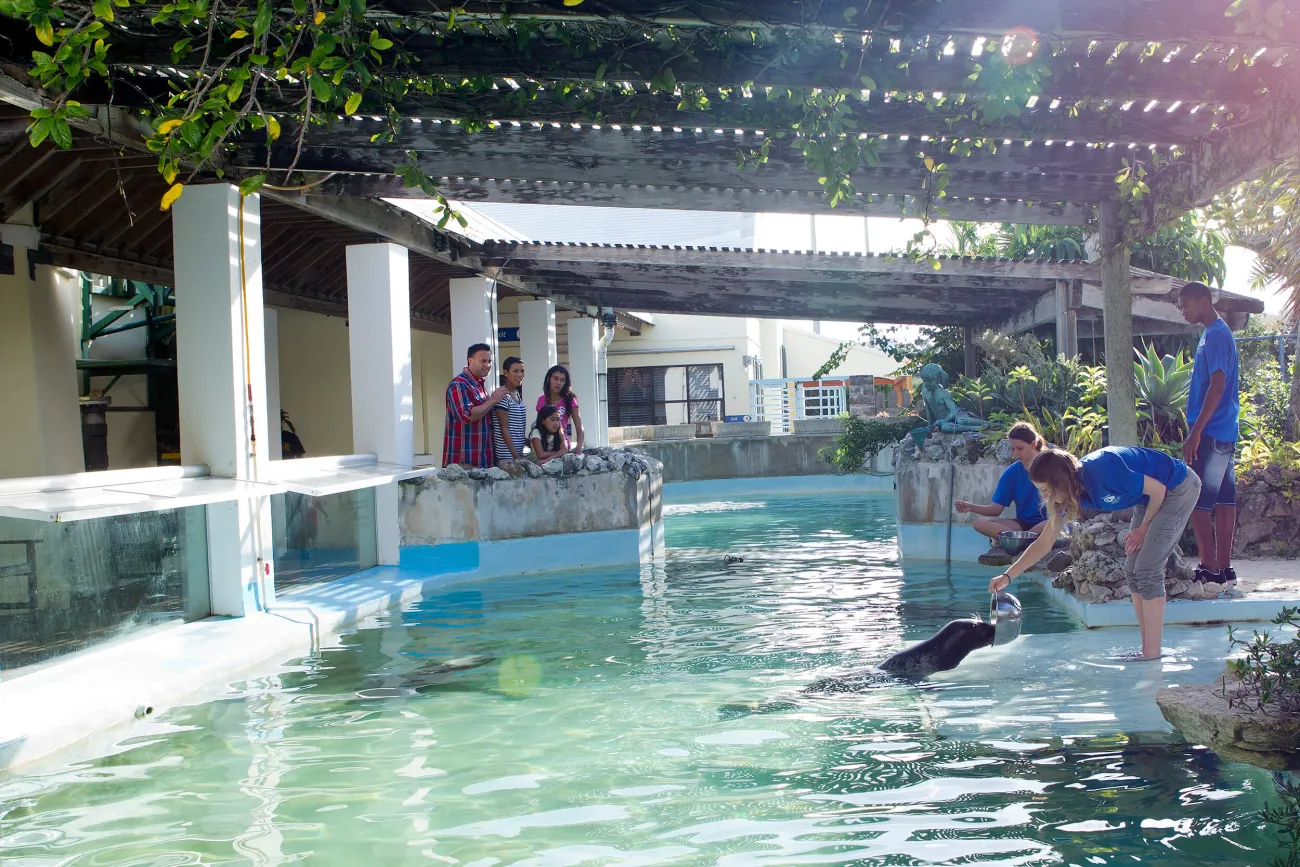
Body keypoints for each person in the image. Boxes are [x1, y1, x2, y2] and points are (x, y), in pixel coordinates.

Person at [989, 447, 1201, 661]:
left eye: (1045, 489)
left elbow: (1158, 490)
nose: (1043, 496)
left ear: (1059, 481)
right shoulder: (1067, 494)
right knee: (1132, 571)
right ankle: (1147, 648)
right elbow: (1044, 543)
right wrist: (1008, 576)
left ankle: (1152, 654)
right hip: (1147, 501)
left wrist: (1143, 528)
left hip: (1177, 488)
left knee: (1147, 569)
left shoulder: (1104, 469)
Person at [1178, 281, 1240, 585]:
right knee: (1225, 500)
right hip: (1224, 429)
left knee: (1196, 500)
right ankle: (1224, 569)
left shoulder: (1216, 334)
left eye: (1186, 305)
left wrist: (1196, 432)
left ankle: (1209, 569)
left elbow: (1217, 386)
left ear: (1204, 301)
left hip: (1213, 431)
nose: (1183, 311)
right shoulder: (1213, 333)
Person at [955, 421, 1049, 545]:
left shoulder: (1052, 465)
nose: (1015, 454)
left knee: (1058, 522)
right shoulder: (1012, 472)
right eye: (1012, 449)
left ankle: (1018, 540)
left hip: (1048, 522)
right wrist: (970, 507)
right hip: (1022, 525)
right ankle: (1024, 539)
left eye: (1020, 449)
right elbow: (996, 509)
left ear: (1033, 444)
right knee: (980, 523)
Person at [443, 343, 510, 468]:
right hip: (464, 463)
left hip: (483, 461)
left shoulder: (479, 385)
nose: (487, 365)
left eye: (489, 361)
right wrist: (493, 400)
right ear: (470, 361)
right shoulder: (459, 384)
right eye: (483, 361)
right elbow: (467, 416)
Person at [537, 364, 584, 453]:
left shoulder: (570, 400)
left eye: (562, 380)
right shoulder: (541, 400)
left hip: (563, 446)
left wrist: (578, 448)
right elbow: (539, 426)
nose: (558, 383)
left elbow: (579, 428)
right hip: (545, 448)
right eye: (555, 378)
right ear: (549, 379)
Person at [493, 357, 529, 466]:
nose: (520, 375)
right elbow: (504, 430)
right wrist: (516, 458)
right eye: (515, 371)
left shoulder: (516, 393)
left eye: (522, 371)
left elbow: (517, 428)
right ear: (505, 373)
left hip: (517, 455)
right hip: (507, 458)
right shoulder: (502, 395)